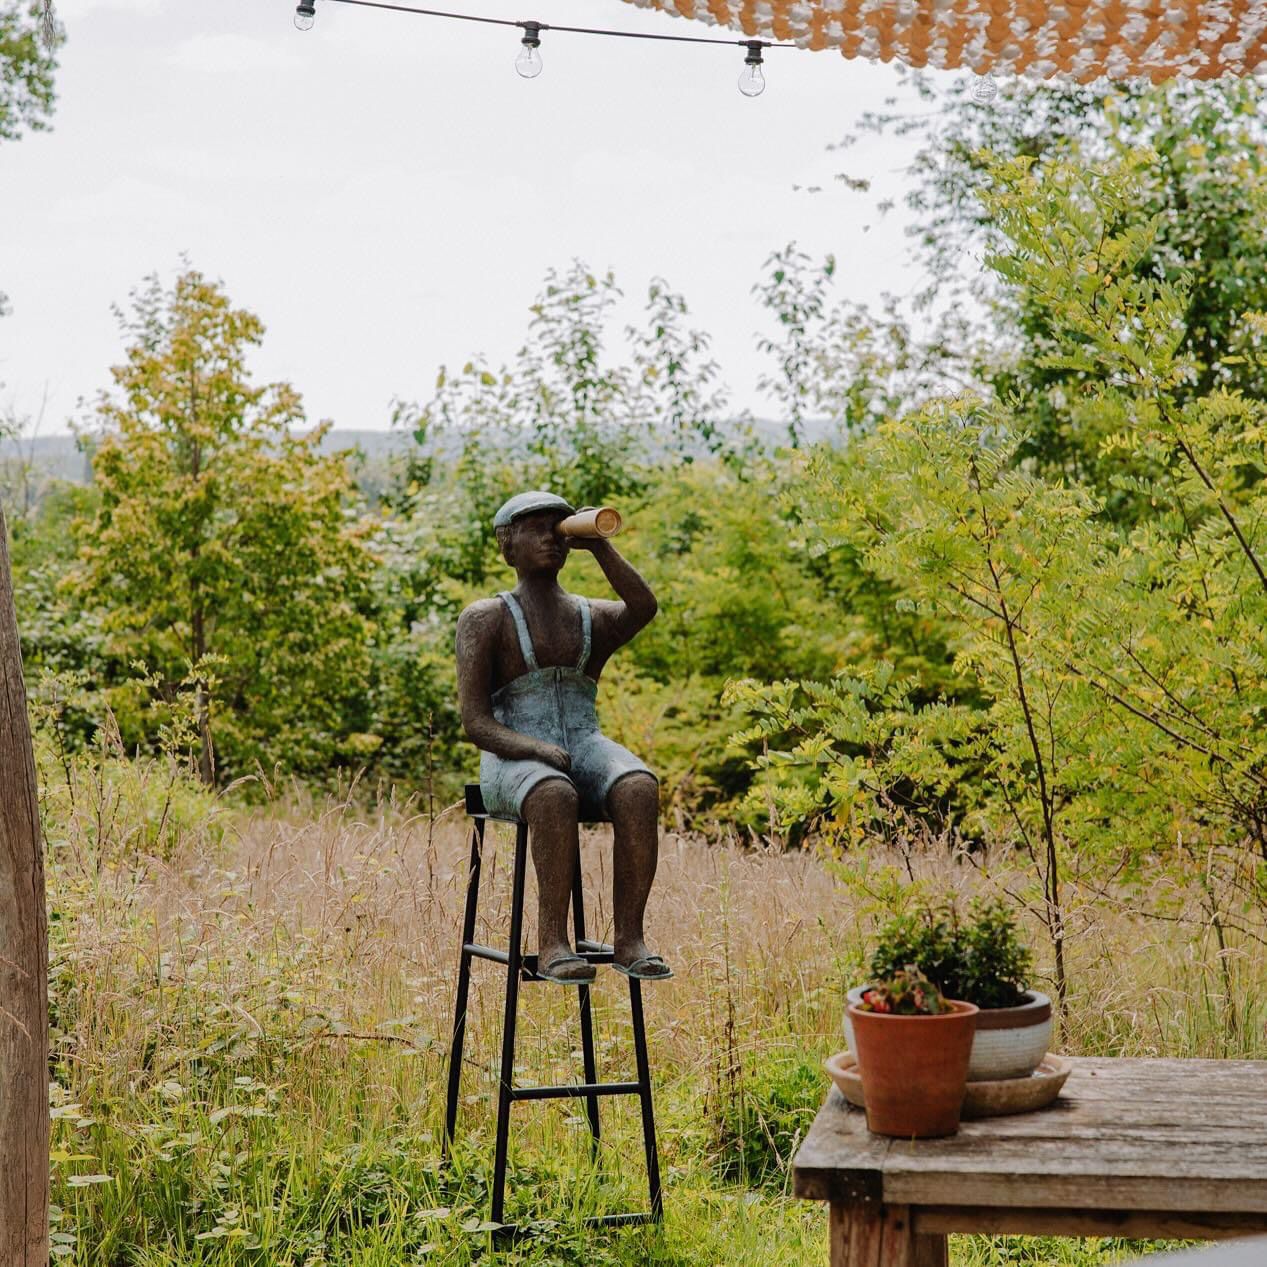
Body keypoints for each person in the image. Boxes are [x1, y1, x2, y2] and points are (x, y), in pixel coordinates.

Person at [455, 490, 671, 985]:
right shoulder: (485, 618)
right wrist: (534, 749)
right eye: (535, 529)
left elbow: (643, 605)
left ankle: (629, 939)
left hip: (583, 744)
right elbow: (476, 723)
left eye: (559, 527)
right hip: (512, 758)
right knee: (553, 793)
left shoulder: (587, 617)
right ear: (507, 546)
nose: (551, 537)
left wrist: (598, 543)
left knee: (639, 786)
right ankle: (552, 941)